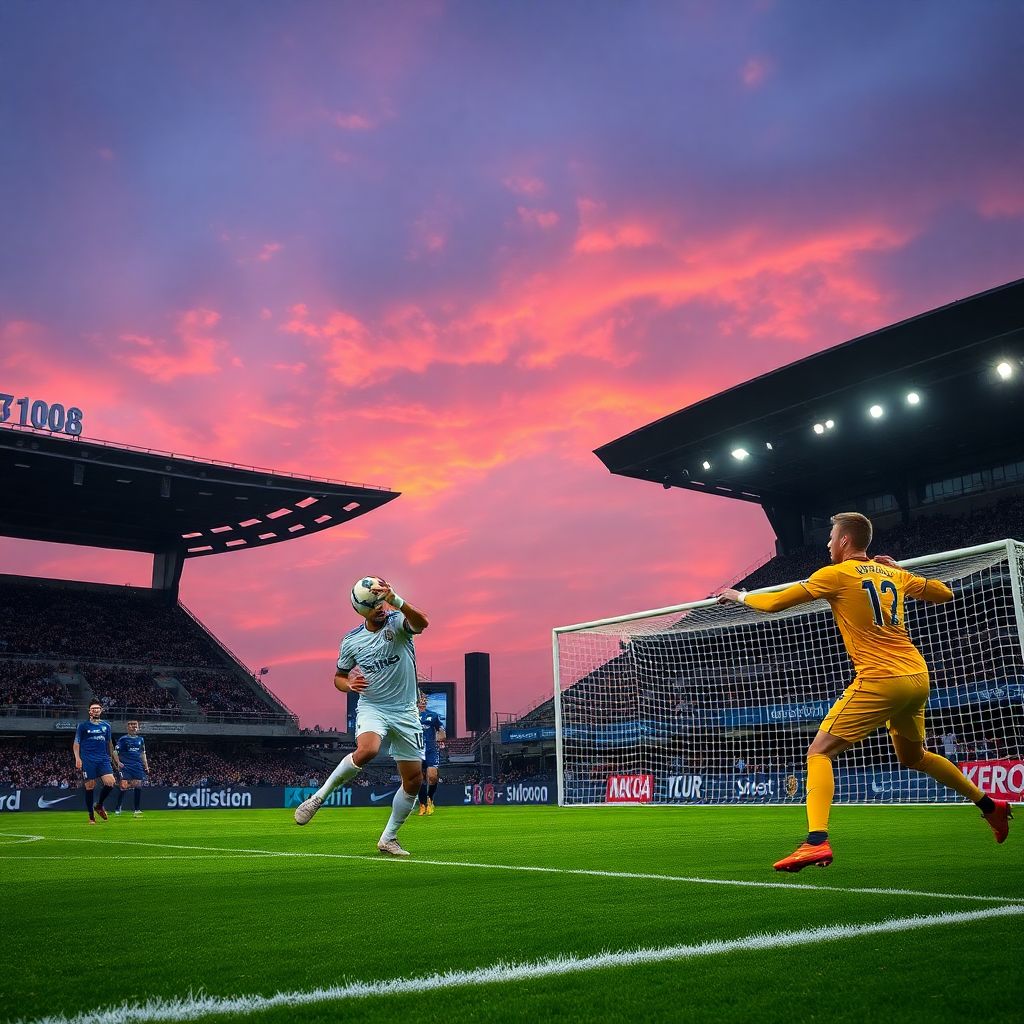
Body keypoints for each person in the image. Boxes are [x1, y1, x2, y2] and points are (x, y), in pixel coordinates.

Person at [718, 511, 1012, 872]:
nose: (827, 544)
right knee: (914, 758)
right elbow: (944, 592)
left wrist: (739, 595)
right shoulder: (892, 572)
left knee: (818, 753)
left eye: (831, 538)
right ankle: (990, 807)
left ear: (844, 540)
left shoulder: (835, 574)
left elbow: (775, 604)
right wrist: (900, 570)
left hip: (880, 679)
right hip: (917, 676)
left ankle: (815, 841)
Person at [294, 578, 429, 856]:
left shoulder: (398, 624)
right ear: (361, 610)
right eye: (373, 605)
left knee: (414, 780)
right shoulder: (352, 641)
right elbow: (339, 678)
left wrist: (397, 601)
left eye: (381, 602)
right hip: (373, 707)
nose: (380, 608)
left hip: (405, 711)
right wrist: (349, 685)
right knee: (368, 750)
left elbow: (423, 623)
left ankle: (388, 838)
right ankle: (318, 798)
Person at [73, 701, 120, 824]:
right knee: (90, 786)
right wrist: (77, 758)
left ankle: (99, 805)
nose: (95, 710)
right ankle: (91, 816)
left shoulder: (106, 726)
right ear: (89, 711)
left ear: (101, 710)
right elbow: (76, 743)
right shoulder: (82, 726)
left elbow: (109, 743)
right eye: (93, 708)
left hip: (103, 759)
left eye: (97, 708)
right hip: (88, 759)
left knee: (111, 783)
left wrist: (112, 758)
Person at [416, 692, 446, 816]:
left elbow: (441, 730)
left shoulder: (433, 715)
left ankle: (430, 799)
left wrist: (441, 737)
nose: (422, 701)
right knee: (419, 779)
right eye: (420, 699)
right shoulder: (410, 716)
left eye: (424, 699)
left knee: (432, 776)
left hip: (431, 750)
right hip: (416, 750)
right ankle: (422, 804)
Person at [114, 720, 150, 817]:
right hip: (126, 766)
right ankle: (118, 806)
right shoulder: (123, 739)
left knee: (138, 785)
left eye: (135, 725)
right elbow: (115, 752)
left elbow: (143, 753)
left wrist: (146, 765)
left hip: (137, 766)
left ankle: (137, 810)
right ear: (128, 727)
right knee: (124, 786)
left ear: (138, 727)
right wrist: (118, 762)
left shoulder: (141, 739)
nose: (133, 727)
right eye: (131, 725)